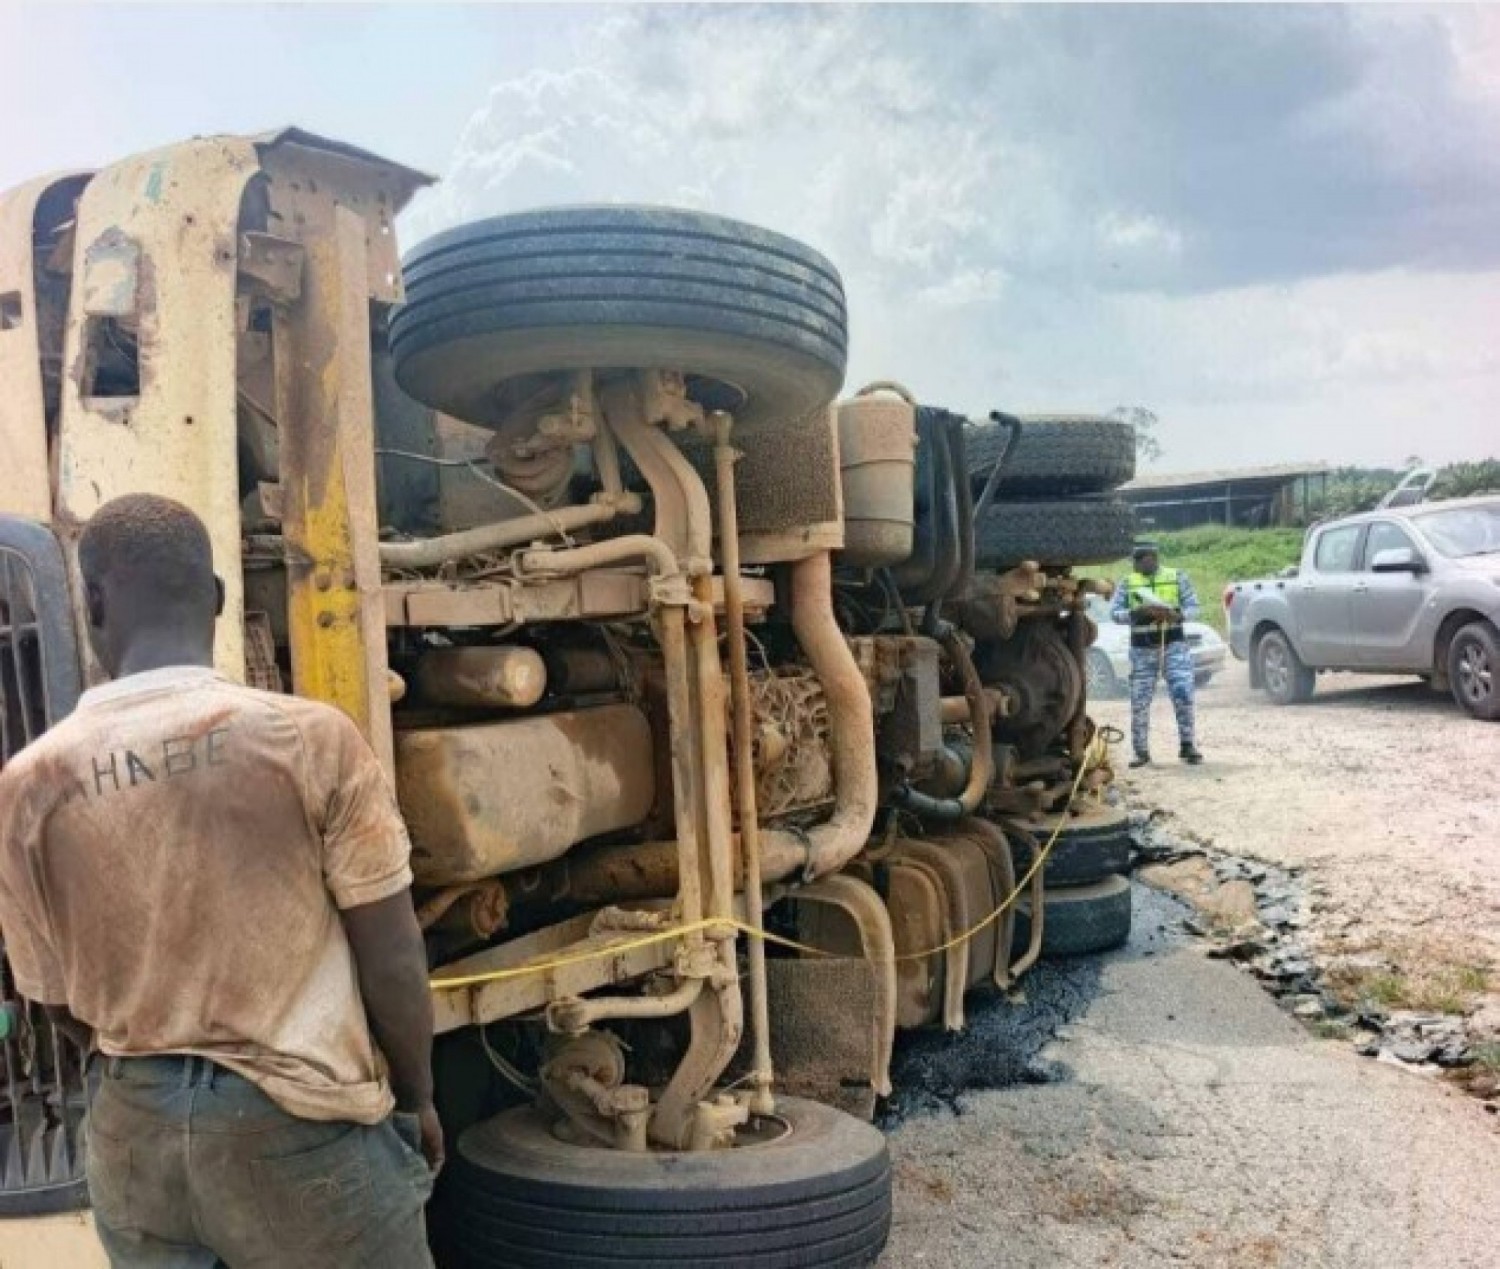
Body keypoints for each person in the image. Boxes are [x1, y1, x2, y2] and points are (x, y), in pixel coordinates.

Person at [0, 494, 440, 1268]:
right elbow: (394, 954)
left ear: (92, 600)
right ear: (217, 598)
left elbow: (48, 993)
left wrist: (148, 1059)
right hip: (298, 1125)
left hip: (135, 1137)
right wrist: (416, 1097)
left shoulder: (28, 784)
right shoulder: (304, 739)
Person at [1110, 541, 1205, 768]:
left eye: (1138, 560)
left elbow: (1194, 607)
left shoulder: (1176, 577)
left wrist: (1176, 615)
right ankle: (1141, 752)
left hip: (1173, 645)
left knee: (1183, 694)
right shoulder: (1128, 583)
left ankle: (1188, 745)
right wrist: (1136, 613)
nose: (1134, 565)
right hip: (1142, 650)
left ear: (1151, 558)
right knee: (1139, 701)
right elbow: (1114, 613)